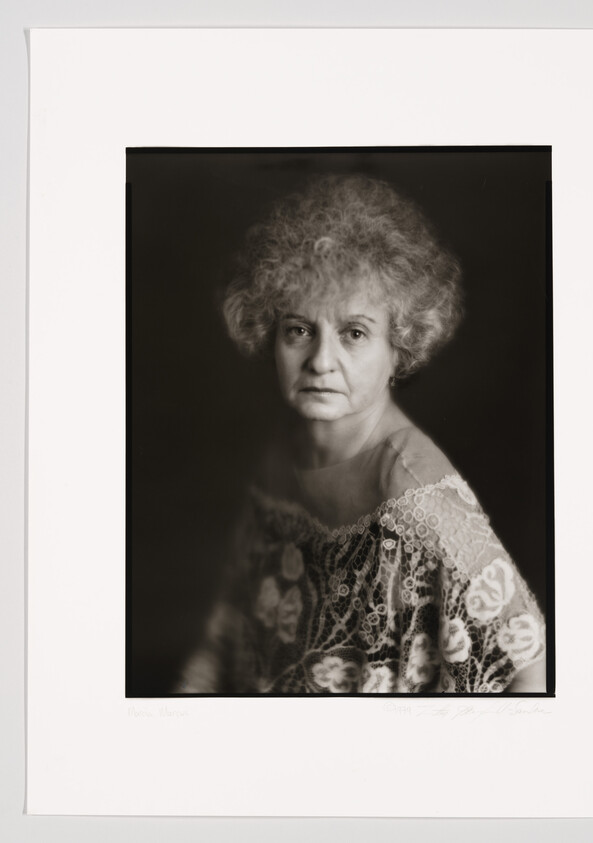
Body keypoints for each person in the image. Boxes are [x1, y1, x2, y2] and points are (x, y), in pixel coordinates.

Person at [178, 174, 546, 694]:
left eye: (354, 334)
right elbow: (230, 628)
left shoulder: (418, 497)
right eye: (299, 330)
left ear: (401, 346)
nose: (321, 361)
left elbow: (527, 661)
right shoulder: (280, 454)